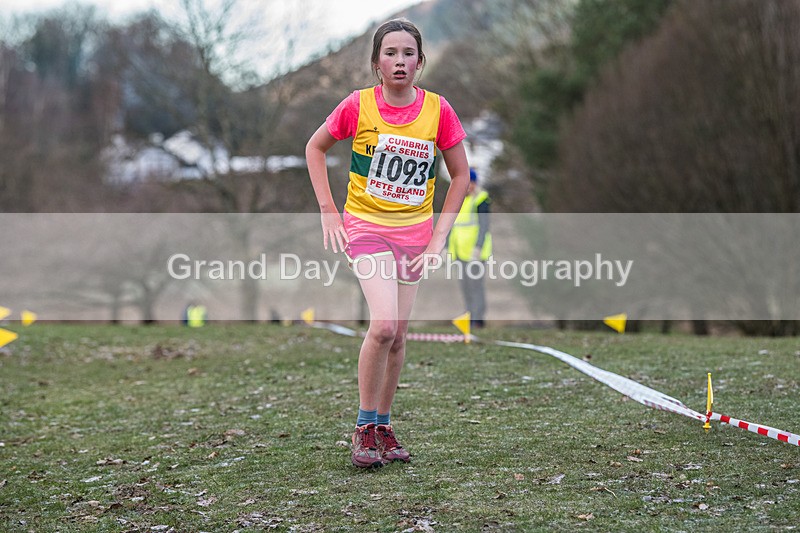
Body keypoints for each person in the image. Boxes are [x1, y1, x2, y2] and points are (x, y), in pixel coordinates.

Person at [306, 18, 470, 468]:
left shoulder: (439, 110)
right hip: (367, 229)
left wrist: (439, 236)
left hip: (415, 235)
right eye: (390, 53)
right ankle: (362, 428)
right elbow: (314, 148)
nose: (400, 61)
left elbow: (461, 177)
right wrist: (328, 210)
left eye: (408, 54)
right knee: (381, 326)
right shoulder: (357, 106)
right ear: (377, 63)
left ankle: (383, 425)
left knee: (397, 337)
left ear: (421, 61)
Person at [448, 167, 492, 328]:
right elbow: (453, 226)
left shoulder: (481, 199)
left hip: (475, 253)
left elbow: (484, 226)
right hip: (459, 252)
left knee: (475, 287)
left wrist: (478, 247)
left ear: (474, 183)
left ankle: (478, 319)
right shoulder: (460, 200)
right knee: (465, 287)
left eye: (469, 183)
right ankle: (469, 316)